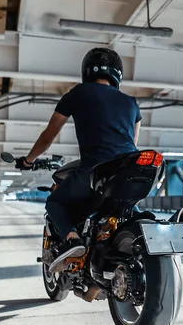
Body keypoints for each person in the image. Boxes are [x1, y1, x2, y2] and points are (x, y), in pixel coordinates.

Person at [15, 47, 141, 272]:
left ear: (87, 70)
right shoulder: (132, 103)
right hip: (127, 172)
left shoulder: (78, 93)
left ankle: (73, 239)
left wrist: (28, 160)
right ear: (118, 74)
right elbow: (133, 143)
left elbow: (48, 136)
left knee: (55, 202)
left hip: (96, 171)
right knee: (129, 209)